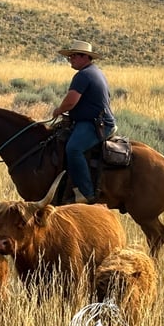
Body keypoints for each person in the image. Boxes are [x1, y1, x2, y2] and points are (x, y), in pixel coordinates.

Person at [51, 40, 116, 204]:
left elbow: (71, 101)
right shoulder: (95, 72)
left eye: (73, 56)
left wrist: (59, 110)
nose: (70, 60)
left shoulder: (83, 75)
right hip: (93, 121)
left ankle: (87, 194)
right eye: (69, 57)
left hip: (95, 124)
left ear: (84, 57)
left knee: (73, 149)